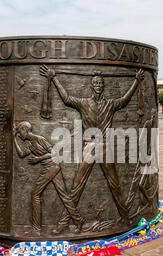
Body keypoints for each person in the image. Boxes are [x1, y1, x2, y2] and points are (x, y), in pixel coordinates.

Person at [40, 65, 145, 226]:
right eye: (95, 84)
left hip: (104, 148)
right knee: (77, 186)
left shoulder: (110, 104)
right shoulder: (83, 103)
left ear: (103, 87)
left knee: (114, 185)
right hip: (89, 147)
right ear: (92, 86)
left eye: (100, 84)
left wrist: (136, 82)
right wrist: (54, 78)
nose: (98, 86)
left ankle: (125, 218)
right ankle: (63, 223)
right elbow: (67, 98)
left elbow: (124, 100)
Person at [14, 121, 85, 234]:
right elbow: (21, 154)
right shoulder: (30, 144)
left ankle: (36, 229)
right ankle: (79, 221)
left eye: (19, 131)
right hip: (53, 168)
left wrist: (38, 159)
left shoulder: (39, 139)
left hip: (51, 167)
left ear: (25, 130)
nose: (19, 134)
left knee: (35, 195)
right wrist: (14, 139)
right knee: (64, 196)